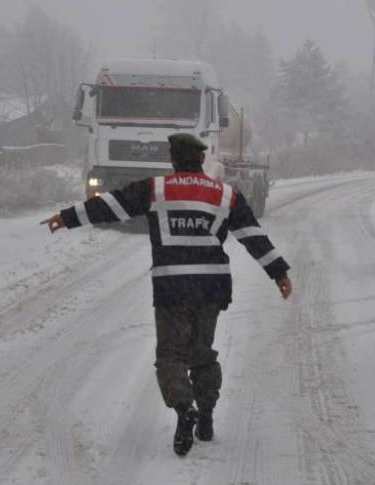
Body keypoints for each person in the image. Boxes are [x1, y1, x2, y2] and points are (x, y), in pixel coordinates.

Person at [42, 133, 292, 456]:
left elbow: (111, 206)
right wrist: (279, 273)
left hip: (173, 287)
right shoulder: (225, 195)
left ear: (172, 158)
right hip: (211, 288)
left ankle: (183, 408)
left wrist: (66, 217)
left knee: (171, 355)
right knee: (202, 352)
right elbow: (252, 236)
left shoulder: (155, 189)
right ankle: (205, 414)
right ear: (202, 159)